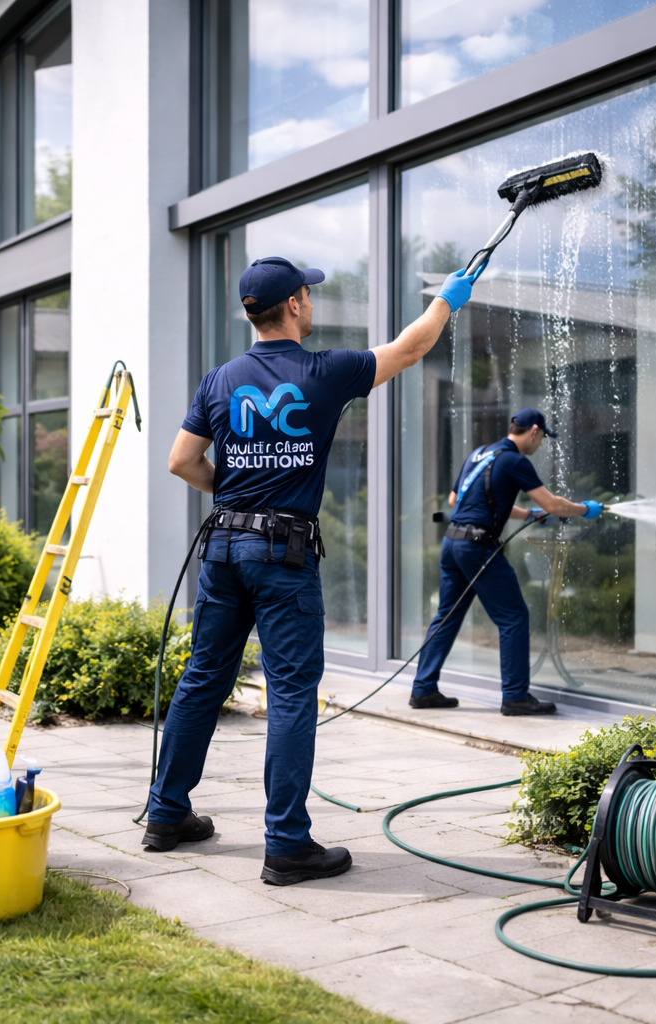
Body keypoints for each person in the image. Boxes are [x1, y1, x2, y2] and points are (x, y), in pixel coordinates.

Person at [143, 254, 486, 885]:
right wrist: (450, 299)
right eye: (310, 294)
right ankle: (288, 845)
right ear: (296, 304)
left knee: (202, 679)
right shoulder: (325, 371)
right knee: (292, 692)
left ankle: (166, 814)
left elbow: (180, 461)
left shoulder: (219, 380)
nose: (312, 302)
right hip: (283, 555)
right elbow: (411, 349)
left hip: (222, 548)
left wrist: (237, 495)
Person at [408, 411, 603, 717]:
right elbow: (552, 504)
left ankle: (423, 689)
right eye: (542, 439)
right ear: (534, 431)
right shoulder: (515, 461)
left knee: (446, 615)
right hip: (477, 547)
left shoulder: (479, 454)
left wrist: (527, 516)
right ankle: (515, 697)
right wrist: (584, 509)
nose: (540, 445)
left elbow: (454, 500)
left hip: (452, 544)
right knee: (513, 616)